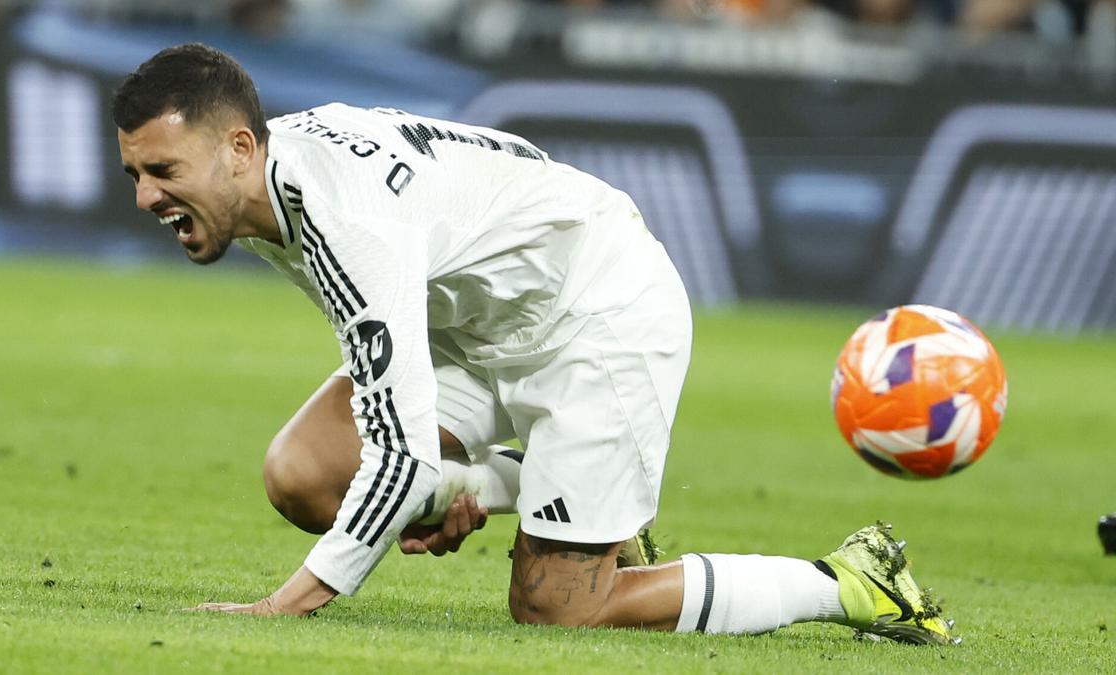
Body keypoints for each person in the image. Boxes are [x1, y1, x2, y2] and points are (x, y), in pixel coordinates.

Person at [111, 43, 956, 643]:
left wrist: (285, 604)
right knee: (305, 474)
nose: (147, 197)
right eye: (136, 176)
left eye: (164, 172)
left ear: (238, 146)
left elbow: (402, 455)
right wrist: (435, 490)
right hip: (479, 326)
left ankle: (848, 580)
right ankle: (553, 488)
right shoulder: (265, 185)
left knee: (557, 608)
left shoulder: (342, 215)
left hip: (599, 310)